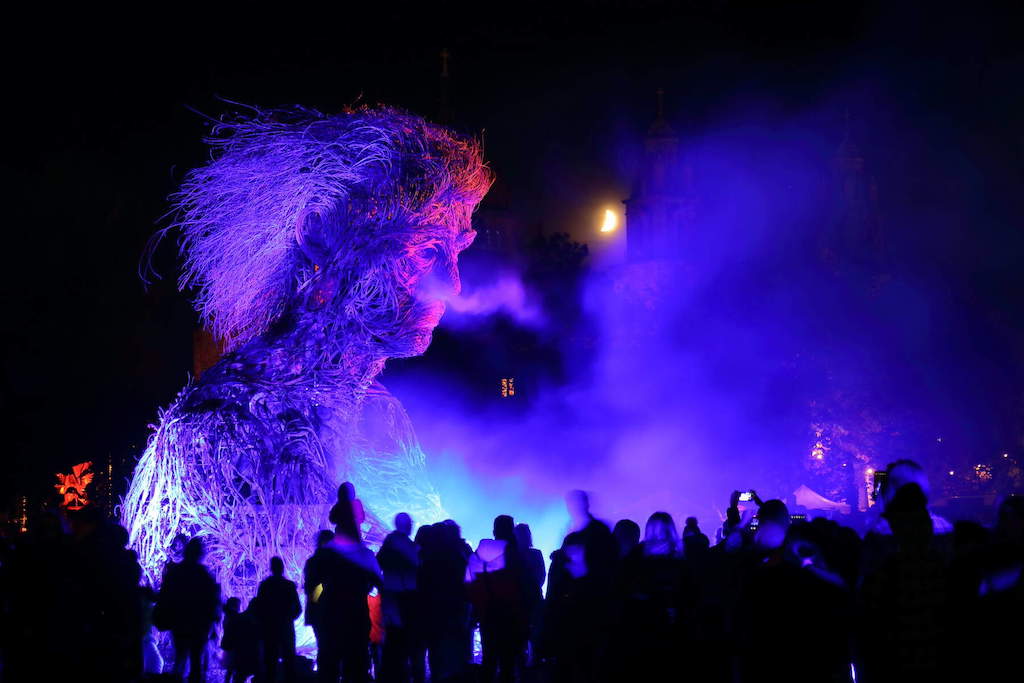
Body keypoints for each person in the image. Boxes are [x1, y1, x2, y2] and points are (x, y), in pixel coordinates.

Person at [121, 106, 493, 605]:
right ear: (319, 232)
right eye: (423, 250)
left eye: (456, 250)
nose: (451, 284)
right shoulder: (221, 430)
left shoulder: (381, 418)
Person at [316, 496, 383, 683]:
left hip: (333, 619)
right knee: (355, 668)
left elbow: (316, 588)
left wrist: (318, 607)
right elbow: (378, 585)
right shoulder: (365, 555)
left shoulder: (324, 555)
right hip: (355, 618)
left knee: (331, 668)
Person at [466, 515, 528, 683]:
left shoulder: (478, 553)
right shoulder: (511, 552)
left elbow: (468, 582)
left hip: (486, 612)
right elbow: (520, 584)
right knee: (508, 662)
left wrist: (476, 609)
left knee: (489, 659)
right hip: (509, 613)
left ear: (494, 530)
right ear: (511, 530)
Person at [158, 537, 221, 683]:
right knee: (196, 660)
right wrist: (213, 622)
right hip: (199, 626)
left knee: (180, 657)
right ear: (200, 554)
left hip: (179, 622)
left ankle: (177, 678)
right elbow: (212, 600)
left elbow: (165, 594)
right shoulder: (203, 575)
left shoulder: (175, 573)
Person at [377, 512, 421, 683]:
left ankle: (392, 675)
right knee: (401, 642)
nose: (412, 525)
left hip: (393, 596)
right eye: (410, 522)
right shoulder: (402, 545)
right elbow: (416, 566)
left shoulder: (389, 543)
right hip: (403, 597)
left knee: (394, 641)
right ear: (403, 524)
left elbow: (377, 564)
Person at [254, 556, 302, 682]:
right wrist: (288, 618)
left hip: (269, 629)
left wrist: (264, 622)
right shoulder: (289, 586)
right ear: (282, 568)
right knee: (289, 662)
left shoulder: (265, 586)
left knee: (270, 662)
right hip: (286, 628)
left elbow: (258, 608)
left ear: (271, 568)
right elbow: (298, 608)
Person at [304, 529, 336, 671]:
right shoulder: (334, 562)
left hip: (320, 611)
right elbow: (314, 588)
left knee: (324, 647)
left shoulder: (313, 562)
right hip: (329, 611)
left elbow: (311, 589)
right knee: (329, 648)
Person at [221, 597, 260, 683]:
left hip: (236, 651)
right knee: (235, 670)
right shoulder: (241, 618)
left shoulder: (237, 617)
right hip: (244, 652)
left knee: (235, 672)